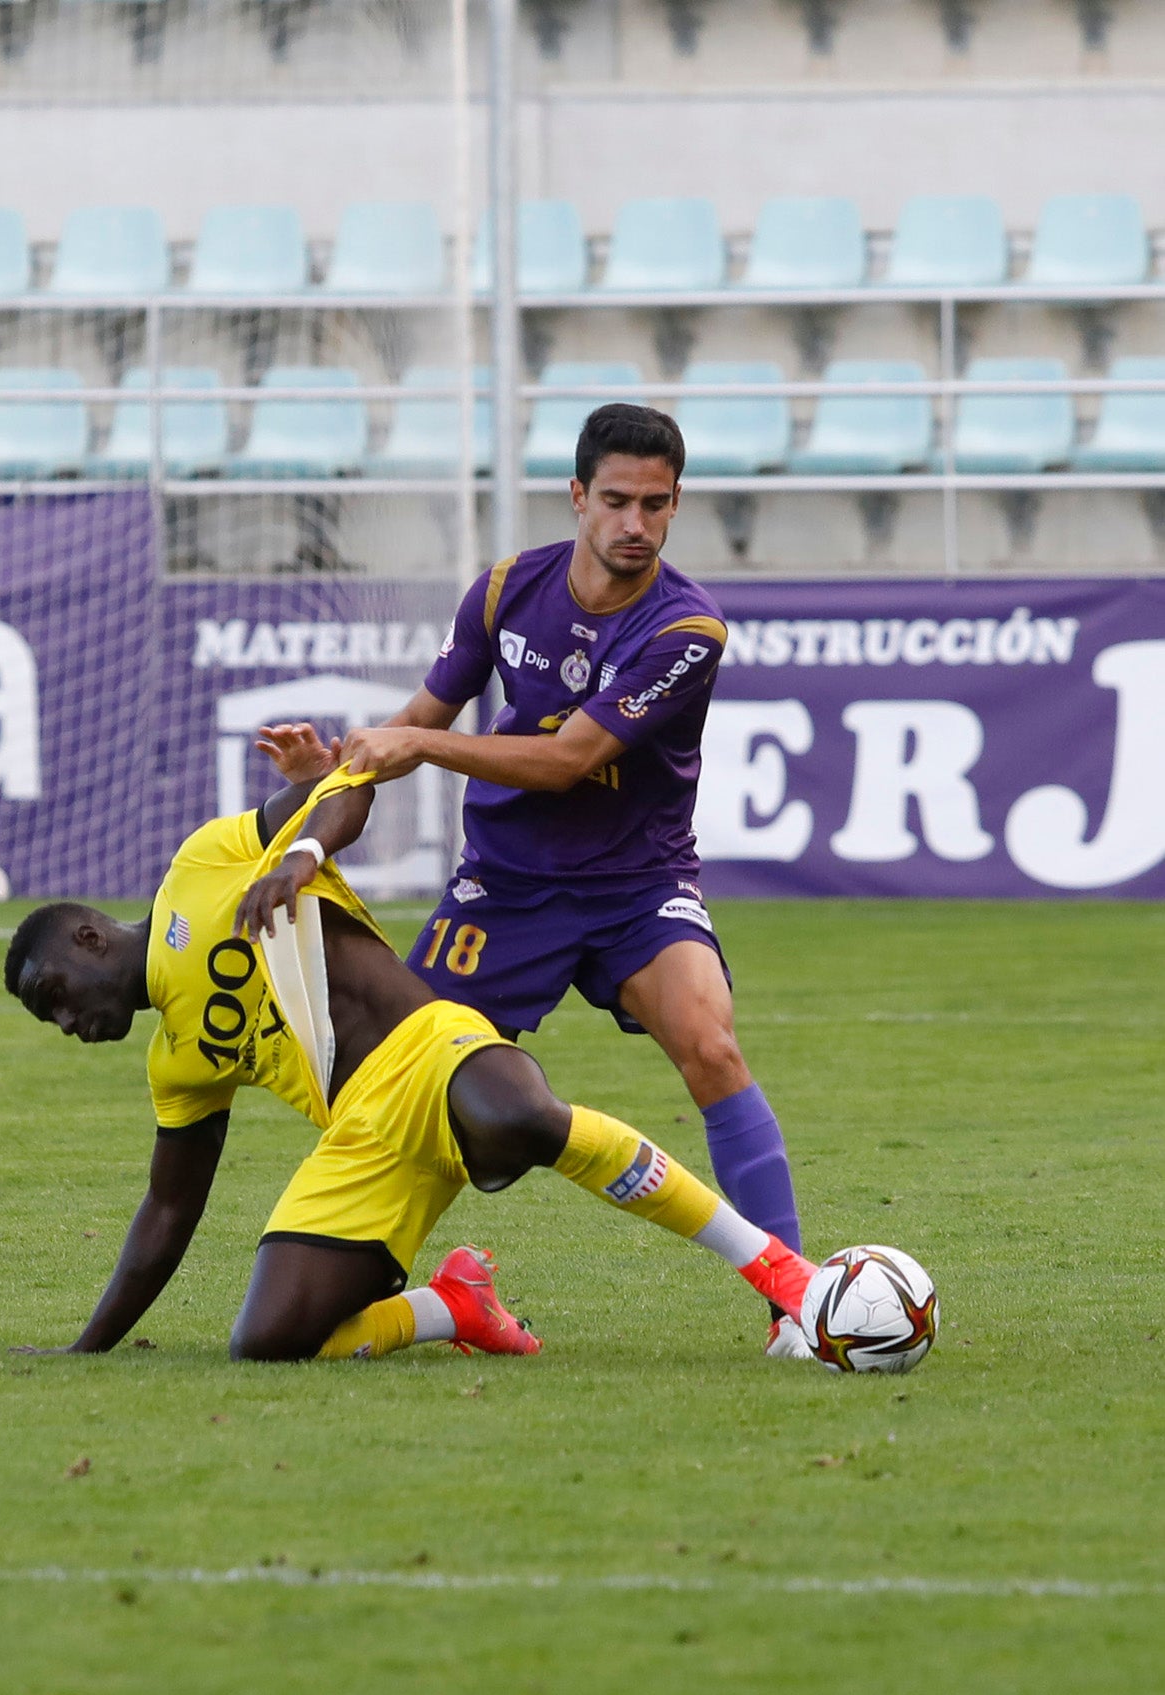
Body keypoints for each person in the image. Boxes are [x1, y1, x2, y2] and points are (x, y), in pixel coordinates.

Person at [258, 403, 810, 1359]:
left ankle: (797, 1305)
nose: (635, 522)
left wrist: (419, 745)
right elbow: (417, 715)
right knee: (403, 1088)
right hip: (505, 888)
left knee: (710, 1046)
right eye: (616, 500)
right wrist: (331, 777)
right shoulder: (508, 587)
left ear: (676, 507)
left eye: (656, 503)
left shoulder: (687, 628)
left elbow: (566, 759)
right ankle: (402, 1289)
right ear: (577, 496)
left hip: (638, 884)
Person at [3, 765, 815, 1363]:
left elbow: (347, 781)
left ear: (88, 938)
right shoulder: (177, 1065)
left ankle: (779, 1270)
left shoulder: (200, 869)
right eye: (51, 1017)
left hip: (425, 1045)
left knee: (520, 1116)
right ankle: (450, 1306)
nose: (67, 1021)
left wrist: (303, 854)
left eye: (55, 995)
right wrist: (86, 1349)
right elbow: (167, 1212)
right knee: (268, 1341)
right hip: (364, 1139)